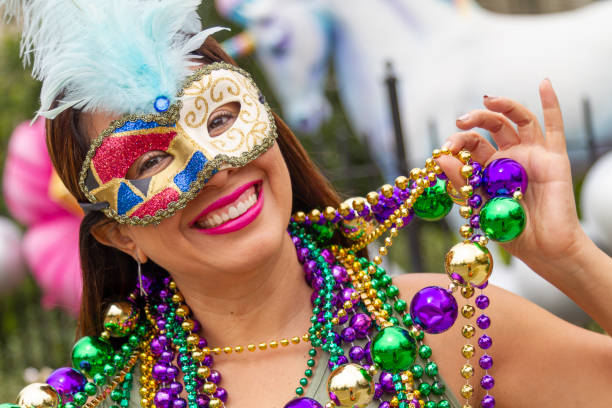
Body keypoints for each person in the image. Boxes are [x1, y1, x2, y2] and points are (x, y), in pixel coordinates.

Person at [3, 1, 612, 407]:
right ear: (119, 236)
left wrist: (571, 259)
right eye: (150, 162)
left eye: (220, 118)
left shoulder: (445, 328)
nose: (213, 168)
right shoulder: (113, 395)